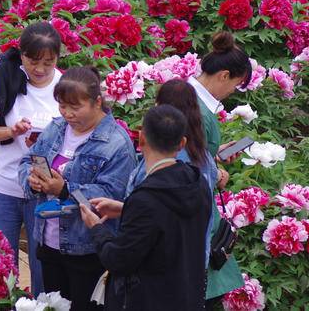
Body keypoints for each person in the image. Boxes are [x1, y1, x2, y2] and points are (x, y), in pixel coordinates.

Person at [17, 66, 135, 311]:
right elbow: (27, 160)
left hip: (87, 250)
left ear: (97, 102)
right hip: (48, 243)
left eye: (75, 107)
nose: (67, 114)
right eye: (62, 106)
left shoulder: (117, 144)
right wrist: (31, 180)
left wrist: (65, 189)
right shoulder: (57, 128)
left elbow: (111, 198)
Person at [79, 104, 212, 311]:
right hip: (187, 296)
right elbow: (169, 222)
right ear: (182, 143)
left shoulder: (147, 199)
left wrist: (96, 228)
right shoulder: (197, 182)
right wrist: (125, 209)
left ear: (141, 140)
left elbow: (118, 260)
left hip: (150, 299)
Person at [0, 22, 63, 288]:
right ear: (21, 54)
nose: (41, 69)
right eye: (34, 61)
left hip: (45, 192)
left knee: (45, 271)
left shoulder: (66, 88)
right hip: (2, 187)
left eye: (49, 61)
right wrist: (10, 130)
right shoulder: (3, 78)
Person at [189, 31, 253, 308]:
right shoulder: (198, 109)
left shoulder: (183, 93)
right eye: (235, 85)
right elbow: (186, 162)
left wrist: (212, 154)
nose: (230, 93)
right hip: (194, 210)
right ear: (224, 75)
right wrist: (215, 171)